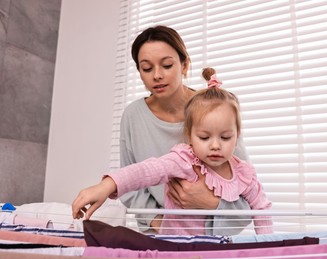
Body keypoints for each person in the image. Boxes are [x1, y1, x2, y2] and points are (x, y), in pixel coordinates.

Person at [72, 67, 273, 235]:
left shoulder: (244, 174)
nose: (215, 145)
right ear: (190, 135)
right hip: (175, 250)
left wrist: (268, 250)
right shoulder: (184, 160)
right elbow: (145, 171)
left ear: (237, 136)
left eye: (225, 137)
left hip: (215, 252)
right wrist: (106, 186)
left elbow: (262, 209)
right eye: (204, 137)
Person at [115, 25, 251, 234]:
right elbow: (130, 183)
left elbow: (246, 191)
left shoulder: (213, 108)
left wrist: (210, 202)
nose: (157, 75)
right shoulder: (133, 116)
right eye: (147, 68)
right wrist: (159, 222)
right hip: (160, 237)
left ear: (185, 65)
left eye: (167, 65)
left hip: (209, 236)